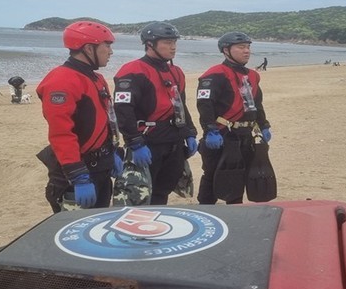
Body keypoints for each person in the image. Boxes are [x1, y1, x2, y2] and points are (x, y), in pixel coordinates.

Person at [35, 21, 123, 213]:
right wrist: (78, 176)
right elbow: (61, 133)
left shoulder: (96, 78)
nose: (111, 52)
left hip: (100, 168)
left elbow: (106, 120)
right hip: (76, 175)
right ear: (89, 49)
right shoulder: (61, 81)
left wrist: (113, 152)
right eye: (107, 46)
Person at [113, 22, 198, 205]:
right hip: (148, 143)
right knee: (140, 196)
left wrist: (190, 133)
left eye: (174, 42)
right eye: (167, 42)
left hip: (174, 142)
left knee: (162, 191)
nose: (173, 47)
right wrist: (135, 143)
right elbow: (123, 110)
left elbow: (181, 105)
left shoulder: (176, 72)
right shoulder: (133, 71)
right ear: (150, 44)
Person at [196, 32, 272, 204]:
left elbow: (257, 104)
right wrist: (210, 130)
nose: (247, 51)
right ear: (226, 50)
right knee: (212, 174)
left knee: (240, 175)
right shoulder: (215, 74)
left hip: (245, 134)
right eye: (241, 47)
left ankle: (235, 210)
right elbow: (204, 104)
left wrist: (264, 125)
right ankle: (205, 208)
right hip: (223, 133)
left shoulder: (252, 76)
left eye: (248, 47)